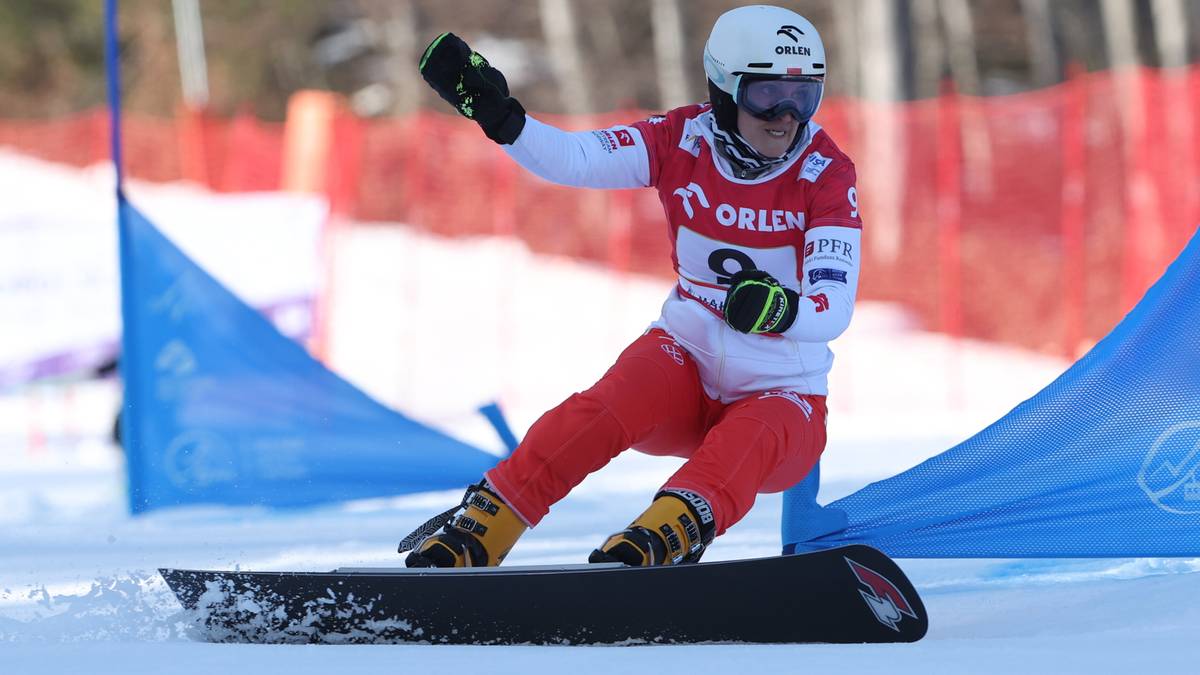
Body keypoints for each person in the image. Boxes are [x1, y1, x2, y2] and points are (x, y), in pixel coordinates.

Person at [404, 4, 862, 568]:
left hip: (783, 393)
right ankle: (484, 527)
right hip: (686, 365)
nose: (786, 117)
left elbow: (833, 307)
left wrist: (778, 310)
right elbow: (575, 159)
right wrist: (504, 120)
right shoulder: (681, 139)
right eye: (767, 95)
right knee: (610, 401)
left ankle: (661, 535)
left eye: (804, 97)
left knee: (750, 436)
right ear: (723, 89)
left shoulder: (826, 172)